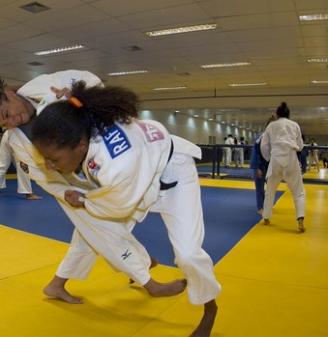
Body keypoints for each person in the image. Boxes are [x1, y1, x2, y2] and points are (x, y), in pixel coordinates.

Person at [0, 70, 186, 304]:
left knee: (89, 234)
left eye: (8, 114)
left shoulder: (44, 85)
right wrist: (62, 193)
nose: (13, 122)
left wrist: (76, 95)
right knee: (105, 229)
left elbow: (94, 81)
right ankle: (148, 281)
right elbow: (40, 176)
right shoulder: (16, 140)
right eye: (4, 123)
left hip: (97, 165)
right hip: (72, 188)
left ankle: (57, 284)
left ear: (8, 94)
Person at [31, 81, 221, 337]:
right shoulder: (82, 123)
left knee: (187, 254)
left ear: (80, 146)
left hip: (173, 174)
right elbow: (56, 109)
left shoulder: (115, 163)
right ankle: (140, 272)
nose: (49, 165)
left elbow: (118, 206)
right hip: (141, 171)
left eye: (53, 159)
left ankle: (209, 306)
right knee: (90, 233)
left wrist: (85, 200)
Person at [261, 102, 306, 232]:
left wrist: (269, 158)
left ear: (277, 114)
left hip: (275, 158)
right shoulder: (295, 125)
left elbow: (264, 146)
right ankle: (300, 218)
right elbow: (300, 145)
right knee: (298, 191)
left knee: (270, 190)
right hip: (291, 157)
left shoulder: (271, 126)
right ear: (288, 114)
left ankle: (266, 217)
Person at [0, 127, 41, 200]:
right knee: (23, 164)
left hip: (6, 134)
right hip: (17, 134)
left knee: (2, 164)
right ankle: (28, 194)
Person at [250, 117, 275, 215]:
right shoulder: (260, 137)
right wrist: (257, 168)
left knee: (270, 189)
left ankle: (267, 205)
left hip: (270, 166)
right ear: (267, 126)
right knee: (260, 188)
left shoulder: (276, 138)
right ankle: (260, 207)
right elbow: (255, 153)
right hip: (260, 165)